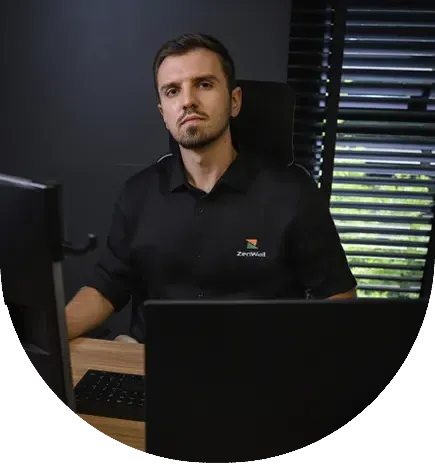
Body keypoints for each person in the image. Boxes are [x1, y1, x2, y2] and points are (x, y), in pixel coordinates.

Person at [65, 32, 357, 343]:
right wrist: (48, 337)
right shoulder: (139, 193)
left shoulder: (292, 194)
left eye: (204, 84)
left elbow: (338, 296)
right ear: (164, 114)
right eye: (173, 91)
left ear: (234, 101)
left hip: (255, 364)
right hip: (153, 361)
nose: (187, 101)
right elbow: (106, 286)